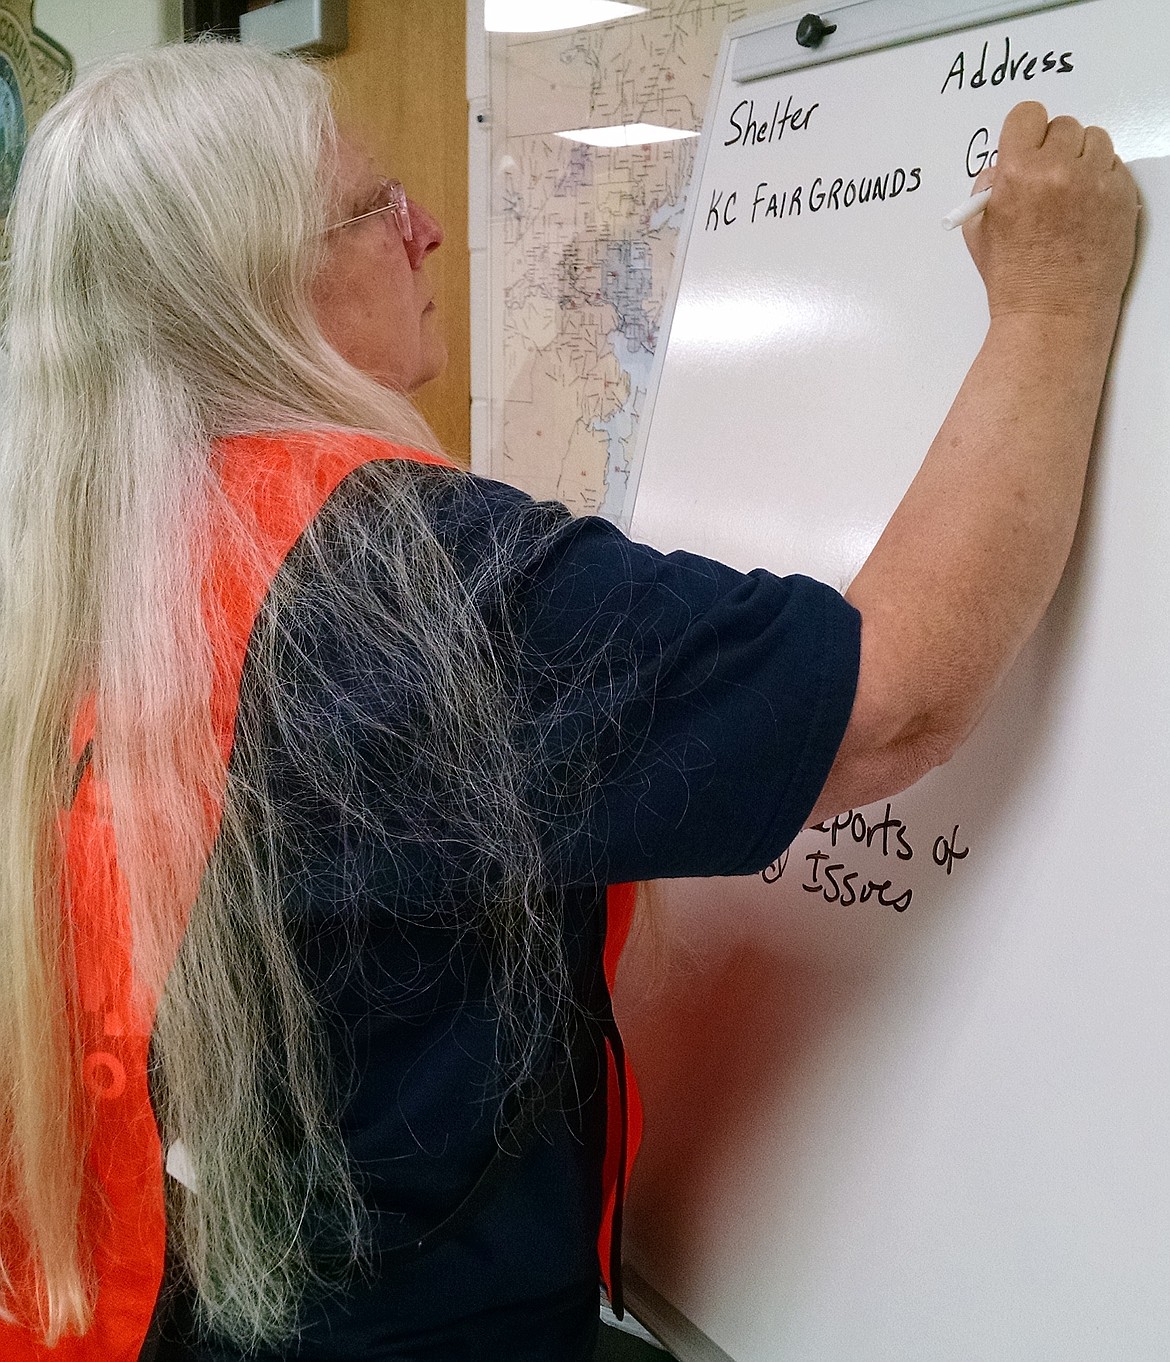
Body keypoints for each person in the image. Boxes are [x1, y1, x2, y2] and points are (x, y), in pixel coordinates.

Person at [0, 40, 1136, 1362]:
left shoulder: (93, 537)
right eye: (376, 207)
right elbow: (891, 701)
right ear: (259, 275)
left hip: (176, 1294)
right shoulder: (394, 576)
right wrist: (1051, 313)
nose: (423, 233)